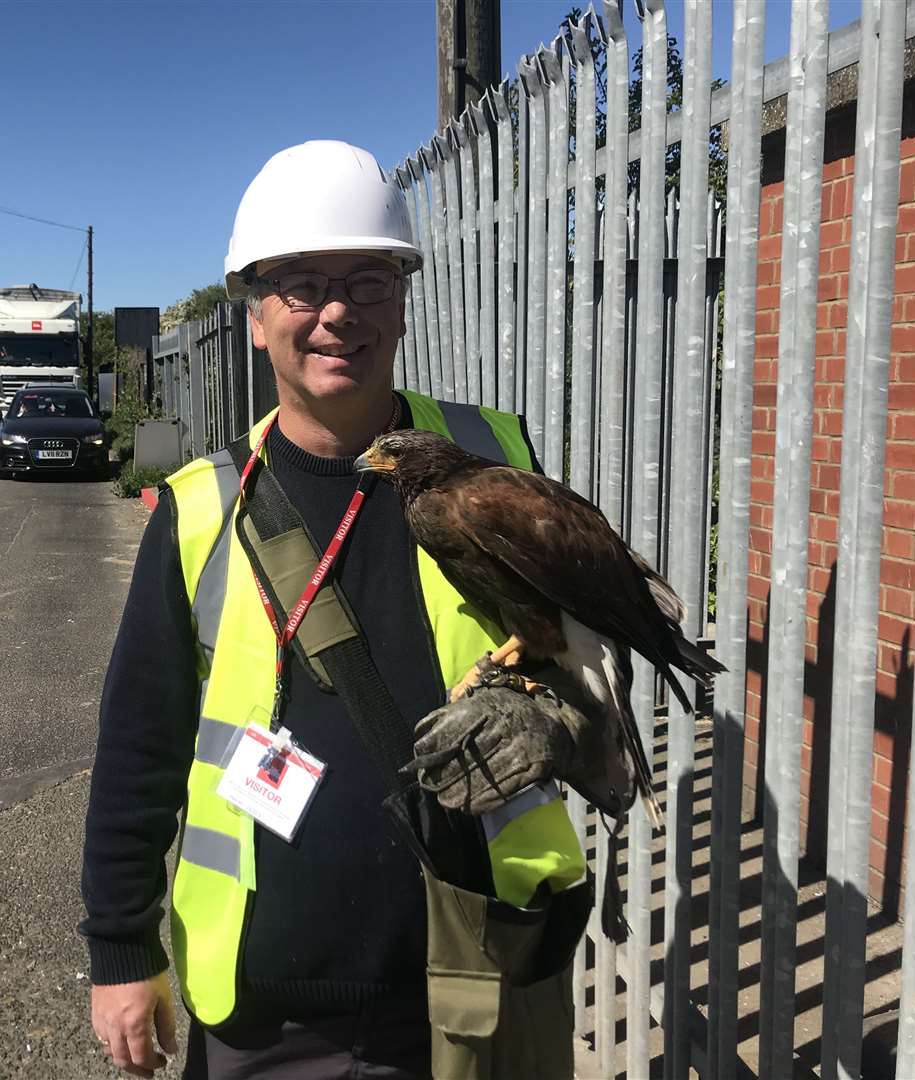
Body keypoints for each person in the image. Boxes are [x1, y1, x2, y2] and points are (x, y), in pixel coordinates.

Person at [80, 140, 591, 1079]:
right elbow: (141, 744)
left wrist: (557, 718)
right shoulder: (203, 508)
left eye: (368, 280)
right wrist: (121, 947)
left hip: (484, 979)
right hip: (270, 1013)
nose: (337, 313)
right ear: (253, 313)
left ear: (403, 301)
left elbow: (587, 662)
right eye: (302, 284)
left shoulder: (494, 458)